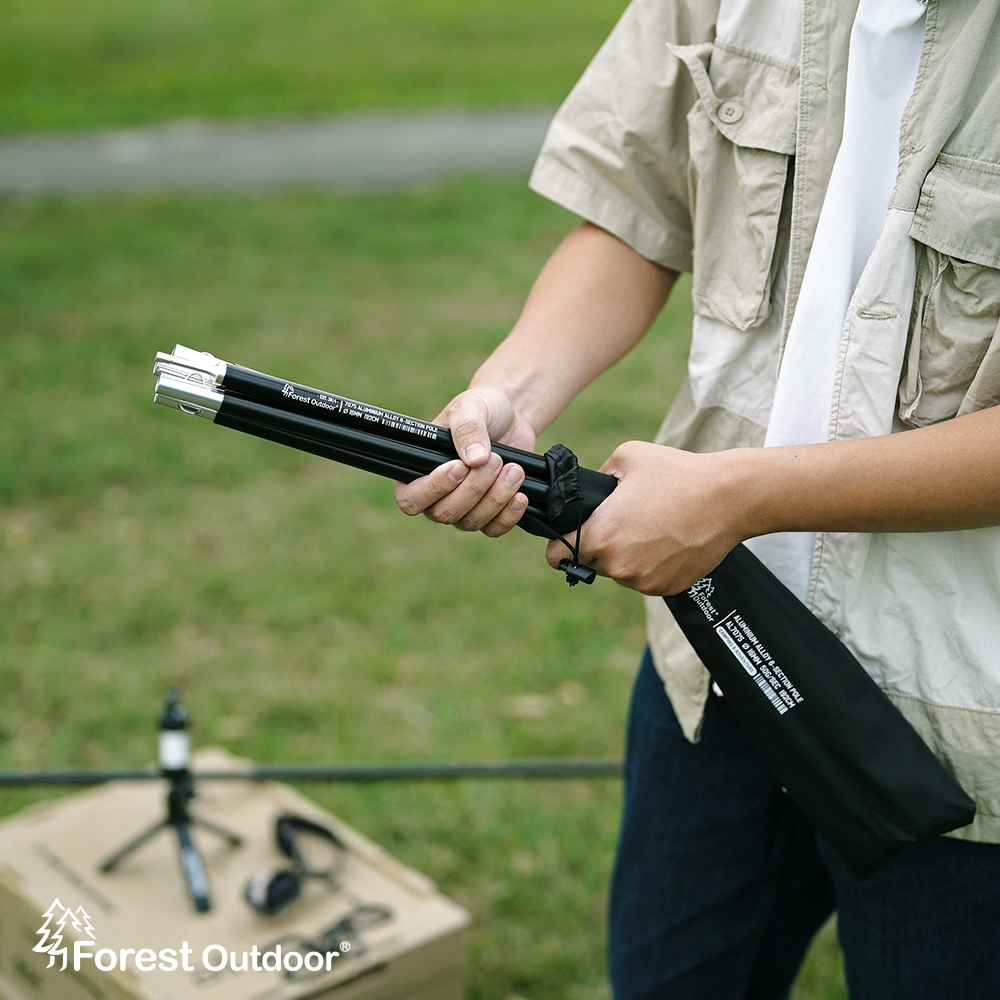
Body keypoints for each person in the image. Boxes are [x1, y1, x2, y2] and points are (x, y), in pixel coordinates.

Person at [394, 0, 1000, 997]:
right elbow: (636, 208)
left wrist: (735, 498)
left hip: (966, 714)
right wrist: (514, 391)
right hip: (714, 656)